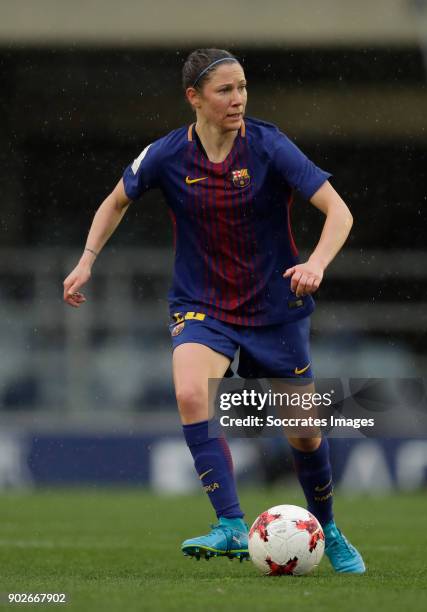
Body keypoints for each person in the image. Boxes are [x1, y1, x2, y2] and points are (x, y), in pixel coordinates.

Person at [63, 48, 365, 573]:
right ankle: (229, 523)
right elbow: (115, 201)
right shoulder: (165, 155)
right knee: (188, 390)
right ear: (194, 98)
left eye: (243, 87)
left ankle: (329, 528)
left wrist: (316, 263)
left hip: (276, 309)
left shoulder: (269, 145)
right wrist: (87, 259)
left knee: (304, 433)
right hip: (203, 305)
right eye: (225, 90)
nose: (238, 99)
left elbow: (339, 210)